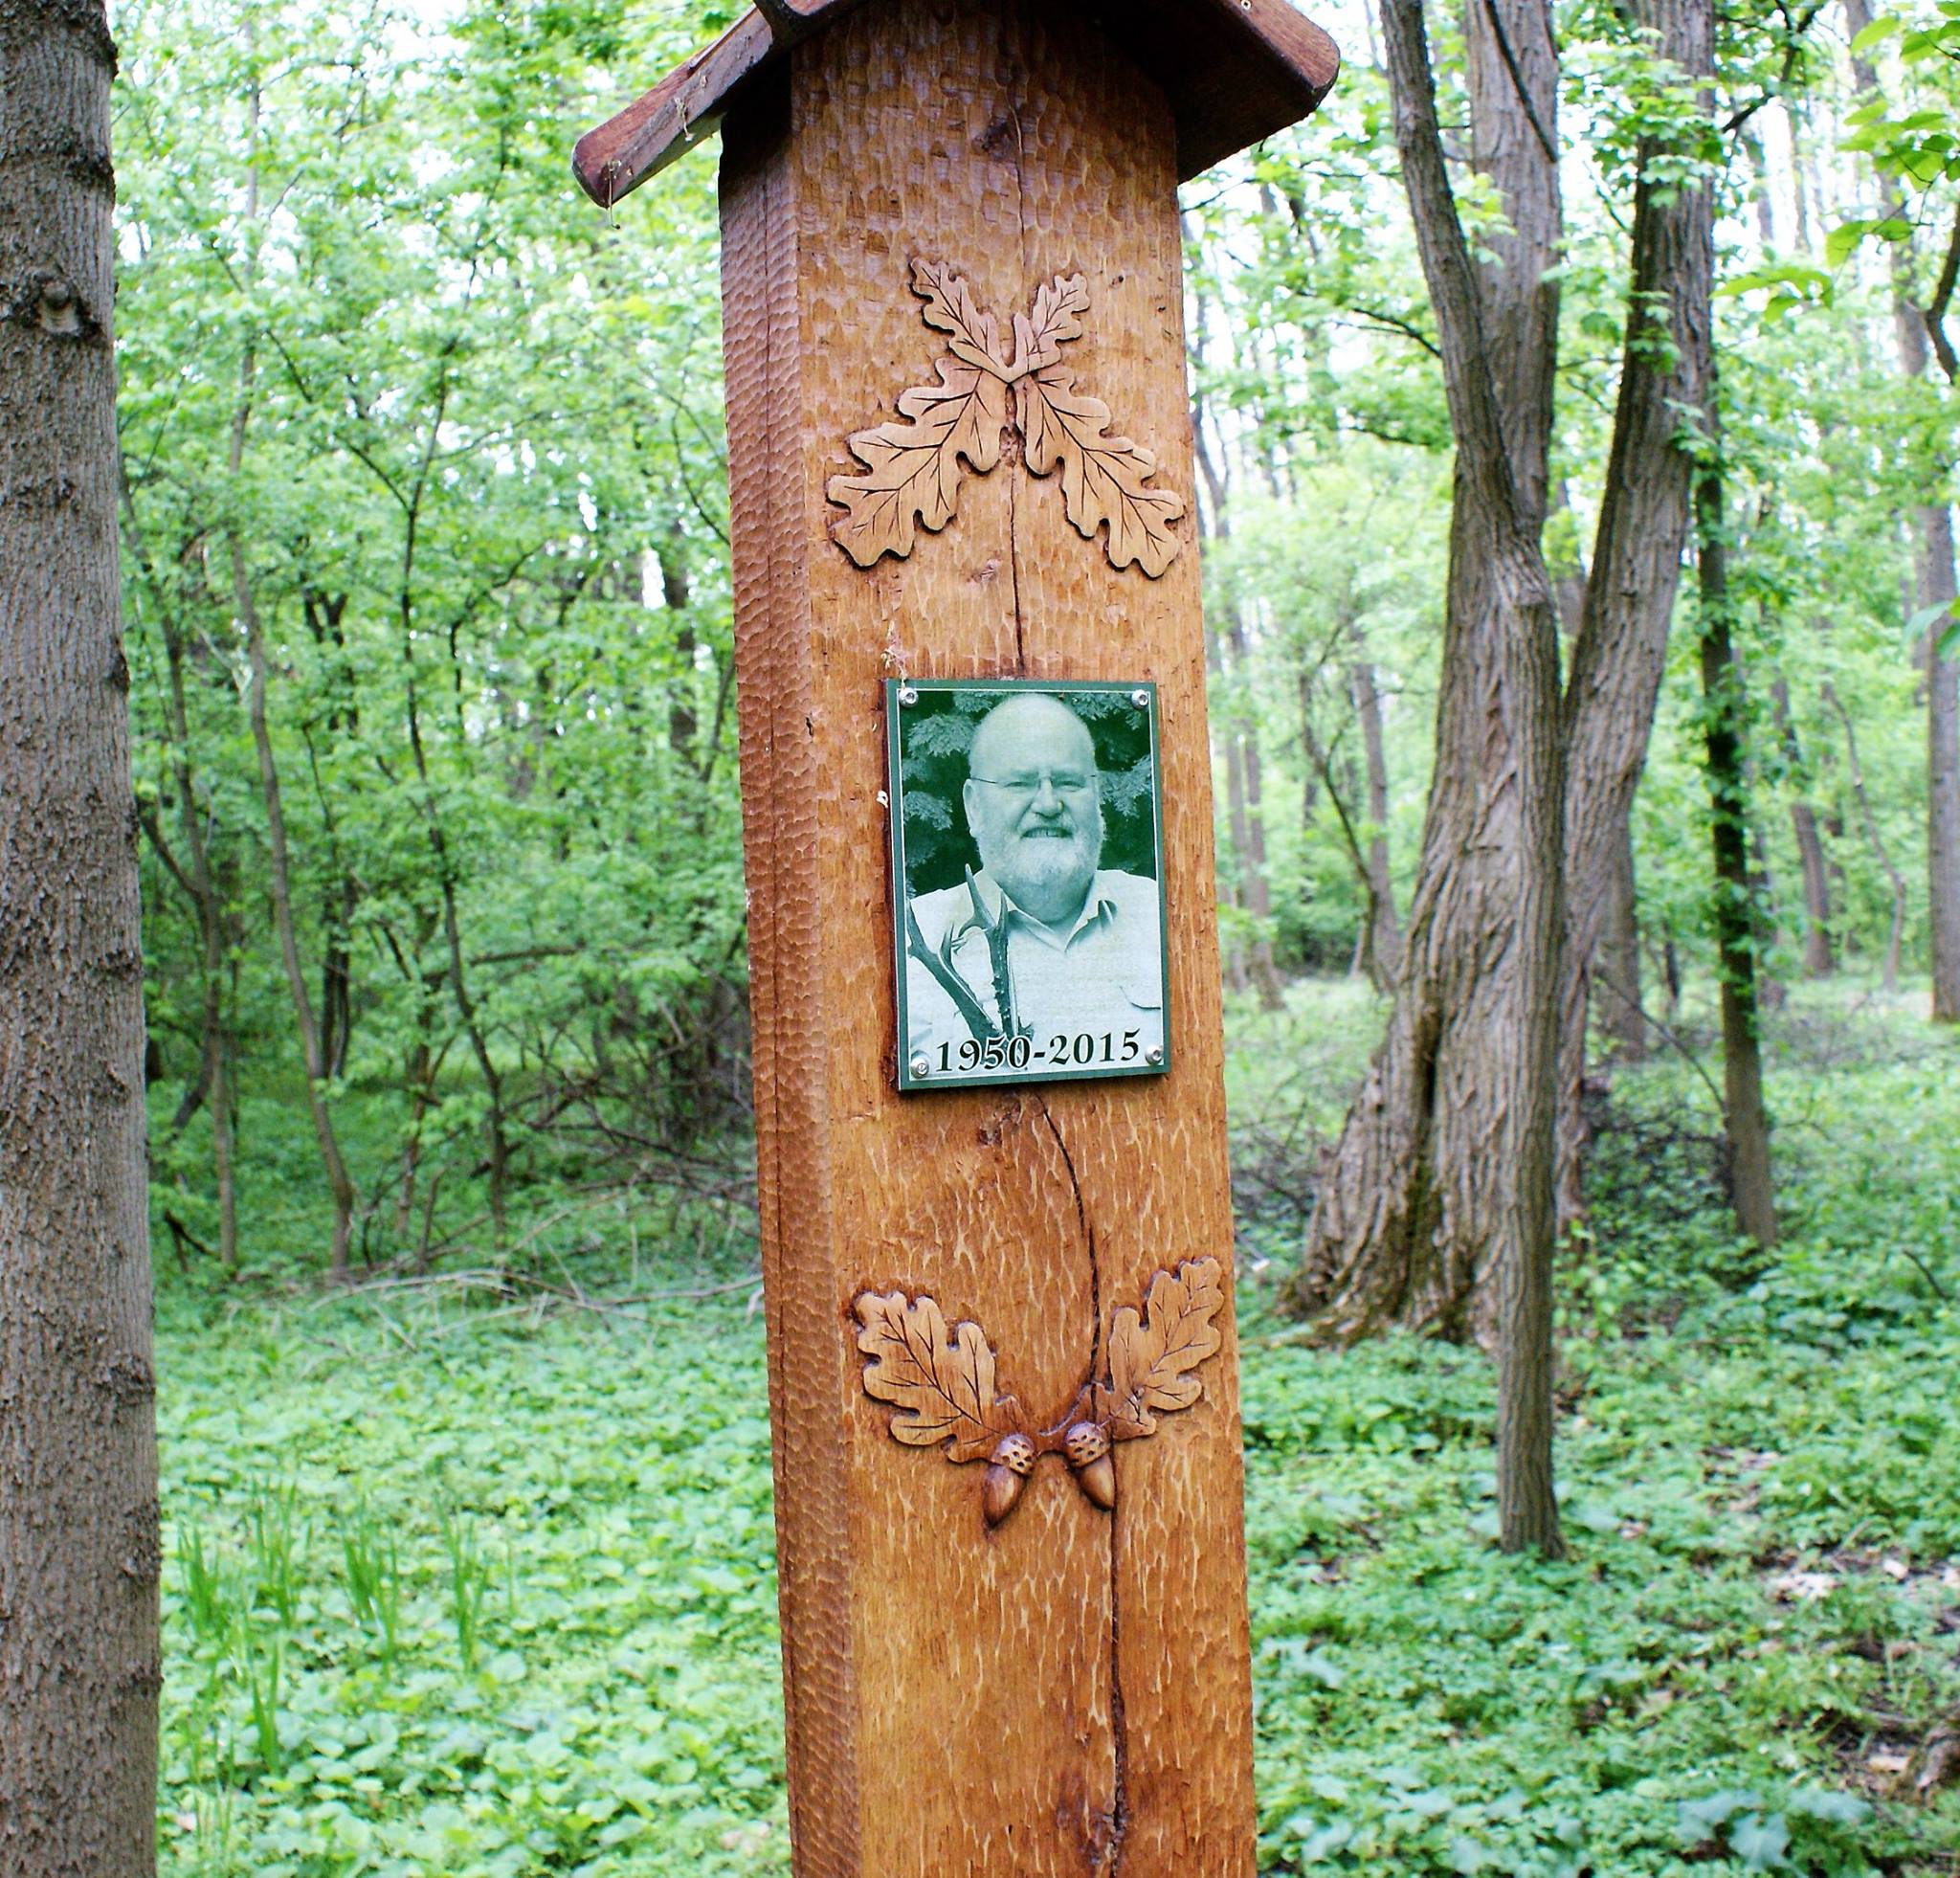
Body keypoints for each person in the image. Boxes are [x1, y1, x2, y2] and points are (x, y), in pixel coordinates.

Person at [903, 691, 1165, 1072]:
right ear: (974, 807)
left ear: (1097, 797)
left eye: (1069, 782)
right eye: (1020, 784)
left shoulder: (1164, 917)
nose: (1047, 804)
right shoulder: (910, 942)